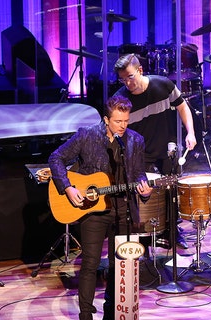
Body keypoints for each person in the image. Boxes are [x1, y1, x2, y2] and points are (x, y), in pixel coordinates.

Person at [49, 96, 153, 320]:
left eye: (126, 120)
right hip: (93, 210)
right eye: (118, 121)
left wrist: (145, 188)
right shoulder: (86, 135)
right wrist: (68, 188)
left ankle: (111, 311)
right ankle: (85, 315)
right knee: (90, 264)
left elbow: (138, 173)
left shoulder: (135, 140)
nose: (123, 126)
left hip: (122, 209)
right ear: (106, 119)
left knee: (119, 266)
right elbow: (56, 157)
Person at [113, 53, 197, 249]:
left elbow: (183, 107)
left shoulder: (164, 85)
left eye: (130, 76)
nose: (127, 82)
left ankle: (174, 231)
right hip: (139, 155)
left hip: (166, 149)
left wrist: (190, 132)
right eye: (123, 79)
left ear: (140, 70)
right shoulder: (120, 100)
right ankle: (143, 233)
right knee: (144, 194)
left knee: (172, 192)